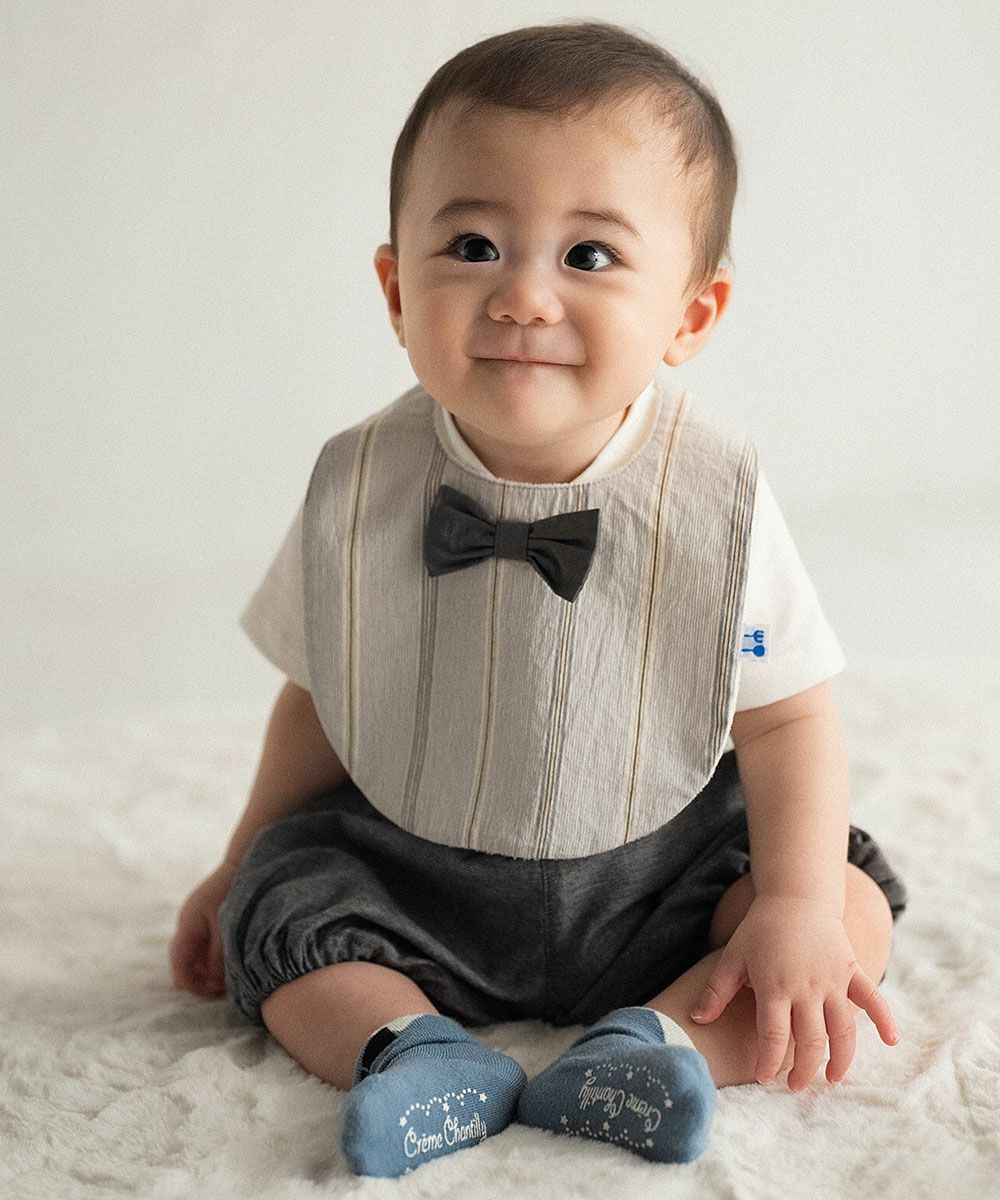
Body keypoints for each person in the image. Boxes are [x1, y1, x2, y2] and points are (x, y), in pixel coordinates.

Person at [169, 19, 907, 1179]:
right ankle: (412, 1051)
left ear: (690, 315)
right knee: (282, 907)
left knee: (840, 907)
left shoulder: (715, 496)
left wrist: (798, 904)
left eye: (589, 256)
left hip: (658, 873)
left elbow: (786, 720)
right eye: (472, 245)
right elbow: (320, 694)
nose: (520, 296)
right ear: (394, 289)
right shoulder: (358, 485)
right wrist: (236, 861)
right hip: (413, 875)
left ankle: (657, 1046)